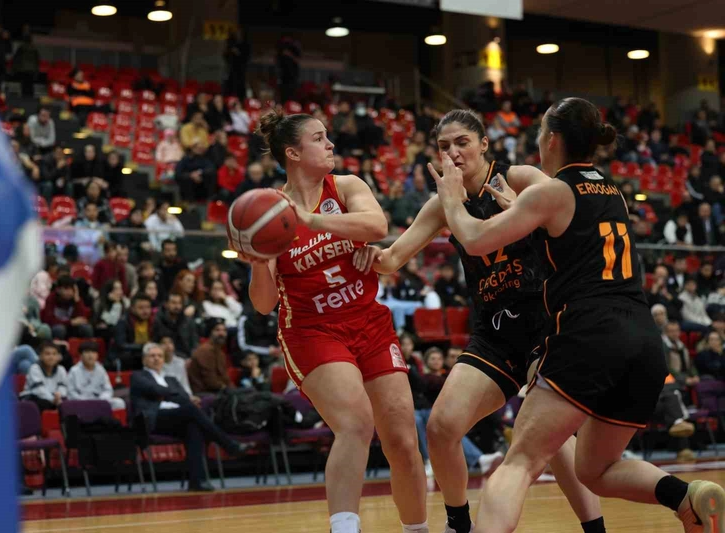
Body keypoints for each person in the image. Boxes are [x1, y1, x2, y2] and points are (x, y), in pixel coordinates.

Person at [429, 97, 724, 532]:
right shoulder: (613, 190)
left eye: (539, 134)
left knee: (518, 463)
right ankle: (685, 497)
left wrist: (452, 201)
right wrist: (519, 212)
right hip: (643, 340)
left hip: (589, 332)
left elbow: (474, 239)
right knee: (595, 469)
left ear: (552, 139)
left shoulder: (550, 190)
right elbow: (570, 239)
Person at [353, 108, 604, 533]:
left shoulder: (521, 177)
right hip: (494, 333)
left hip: (546, 324)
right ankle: (459, 524)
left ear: (484, 145)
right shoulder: (443, 203)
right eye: (443, 146)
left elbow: (576, 218)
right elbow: (393, 258)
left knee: (549, 438)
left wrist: (521, 209)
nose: (452, 152)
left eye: (462, 142)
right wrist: (366, 254)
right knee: (441, 427)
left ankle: (595, 529)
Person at [232, 109, 428, 533]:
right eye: (319, 138)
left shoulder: (346, 186)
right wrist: (259, 261)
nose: (330, 144)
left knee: (402, 441)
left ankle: (418, 529)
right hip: (312, 330)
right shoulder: (269, 210)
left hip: (369, 322)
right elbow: (263, 304)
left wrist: (310, 220)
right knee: (355, 423)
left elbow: (376, 225)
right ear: (293, 153)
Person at [130, 343, 252, 492]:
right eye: (152, 356)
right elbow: (155, 389)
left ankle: (197, 481)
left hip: (176, 417)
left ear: (163, 360)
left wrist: (173, 396)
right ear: (144, 360)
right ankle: (229, 444)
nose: (156, 359)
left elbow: (183, 397)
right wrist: (174, 395)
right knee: (191, 410)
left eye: (159, 356)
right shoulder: (138, 376)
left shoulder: (171, 379)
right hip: (152, 419)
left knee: (193, 427)